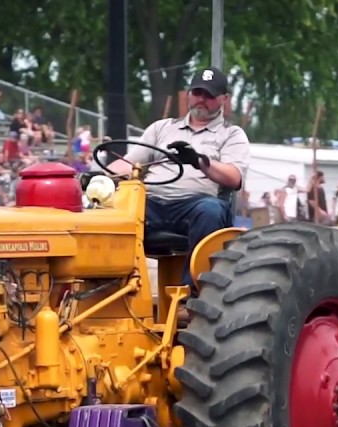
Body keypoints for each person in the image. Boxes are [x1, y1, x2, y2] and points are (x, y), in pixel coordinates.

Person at [104, 66, 251, 320]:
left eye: (209, 95)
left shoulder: (231, 134)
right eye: (197, 93)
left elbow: (234, 176)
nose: (201, 100)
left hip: (194, 206)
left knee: (211, 210)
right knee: (108, 210)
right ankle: (109, 292)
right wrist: (99, 175)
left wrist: (199, 161)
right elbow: (129, 163)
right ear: (188, 95)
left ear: (224, 100)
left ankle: (189, 298)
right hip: (151, 203)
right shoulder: (162, 128)